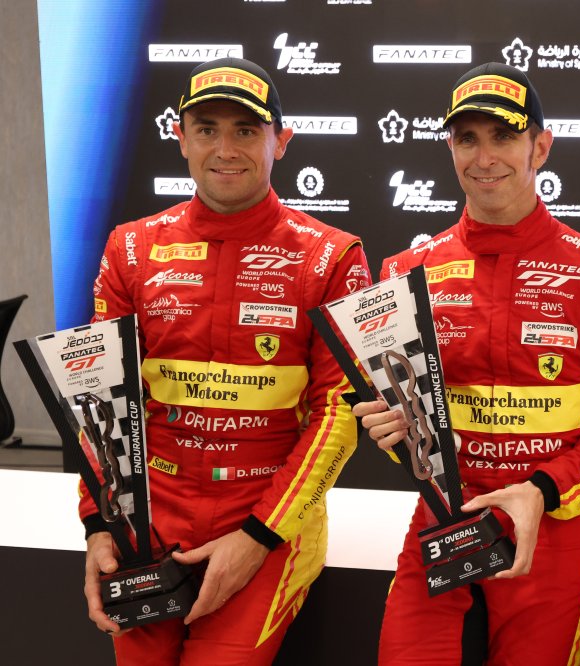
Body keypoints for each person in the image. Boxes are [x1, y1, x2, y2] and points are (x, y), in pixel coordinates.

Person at [353, 62, 580, 665]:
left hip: (553, 527)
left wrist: (543, 490)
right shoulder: (403, 275)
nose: (484, 156)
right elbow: (403, 424)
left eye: (503, 136)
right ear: (450, 148)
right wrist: (391, 433)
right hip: (443, 522)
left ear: (540, 147)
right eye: (467, 138)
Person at [84, 57, 371, 664]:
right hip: (147, 525)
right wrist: (100, 525)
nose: (225, 149)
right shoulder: (130, 248)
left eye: (246, 130)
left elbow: (339, 416)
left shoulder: (332, 257)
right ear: (180, 138)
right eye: (207, 129)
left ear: (281, 141)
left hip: (267, 524)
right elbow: (100, 401)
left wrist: (259, 535)